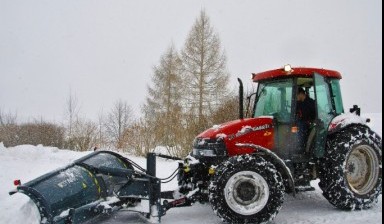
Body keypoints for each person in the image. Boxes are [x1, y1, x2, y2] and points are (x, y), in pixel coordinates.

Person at [296, 87, 316, 152]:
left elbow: (315, 114)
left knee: (300, 125)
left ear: (301, 94)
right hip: (301, 120)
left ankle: (300, 147)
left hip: (310, 122)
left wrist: (310, 121)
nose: (296, 97)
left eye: (296, 95)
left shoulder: (311, 103)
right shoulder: (298, 103)